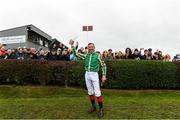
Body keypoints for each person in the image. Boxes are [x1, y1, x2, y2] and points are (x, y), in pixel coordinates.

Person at [69, 39, 107, 118]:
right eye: (89, 47)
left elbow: (103, 65)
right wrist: (72, 45)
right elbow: (76, 54)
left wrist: (104, 75)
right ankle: (93, 107)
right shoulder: (86, 55)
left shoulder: (98, 55)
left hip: (94, 74)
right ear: (88, 48)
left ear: (94, 47)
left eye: (92, 47)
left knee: (97, 92)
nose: (91, 48)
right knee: (90, 91)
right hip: (87, 74)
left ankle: (101, 109)